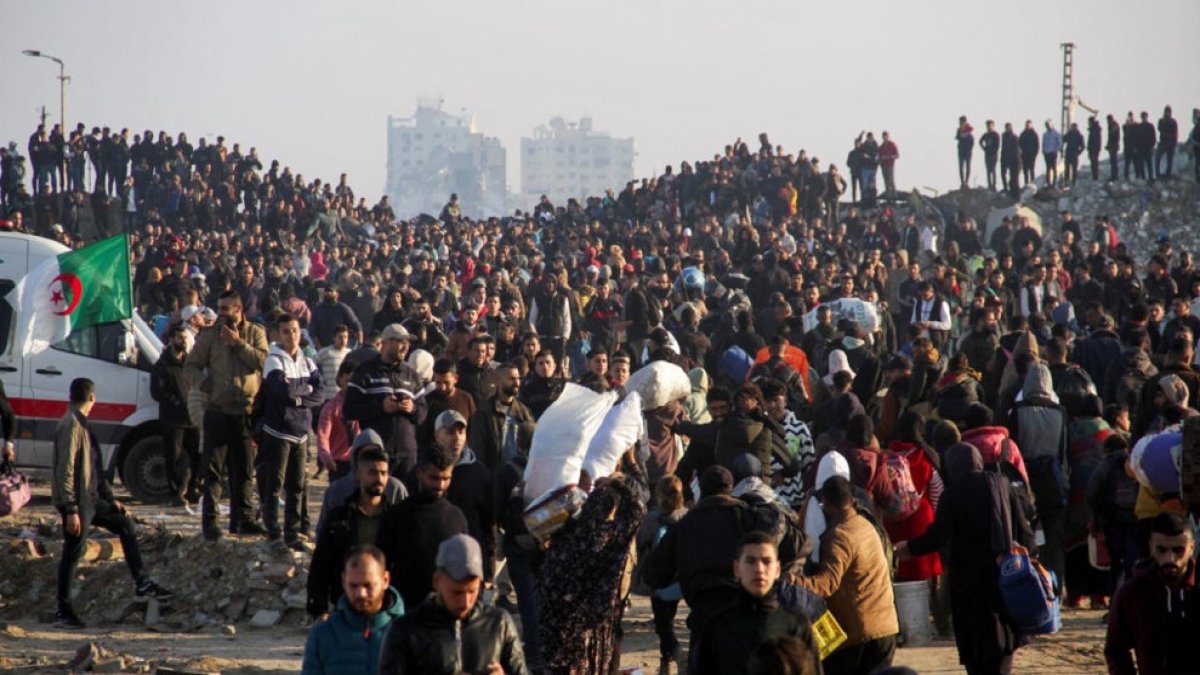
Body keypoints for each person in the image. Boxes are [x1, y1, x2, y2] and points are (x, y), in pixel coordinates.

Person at [897, 443, 1036, 675]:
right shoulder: (1002, 485)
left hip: (969, 584)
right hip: (1004, 578)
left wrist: (908, 548)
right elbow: (1024, 531)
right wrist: (1028, 558)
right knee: (1003, 643)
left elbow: (938, 536)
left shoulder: (953, 495)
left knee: (978, 649)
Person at [53, 378, 173, 628]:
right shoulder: (71, 425)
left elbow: (95, 468)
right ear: (92, 398)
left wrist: (111, 499)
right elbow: (65, 470)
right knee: (73, 553)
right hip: (79, 502)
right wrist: (70, 508)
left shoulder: (82, 423)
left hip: (93, 499)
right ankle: (64, 612)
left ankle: (142, 584)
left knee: (126, 526)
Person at [538, 475, 645, 675]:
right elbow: (637, 511)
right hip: (586, 629)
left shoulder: (562, 539)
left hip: (553, 629)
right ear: (610, 510)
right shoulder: (605, 538)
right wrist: (618, 485)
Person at [379, 534, 529, 675]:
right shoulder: (407, 631)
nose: (465, 601)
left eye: (472, 591)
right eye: (457, 592)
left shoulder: (499, 625)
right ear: (437, 581)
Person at [186, 289, 269, 541]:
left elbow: (263, 361)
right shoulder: (210, 335)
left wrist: (237, 344)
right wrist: (206, 386)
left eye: (225, 308)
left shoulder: (255, 333)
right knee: (213, 471)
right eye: (219, 308)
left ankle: (243, 521)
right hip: (217, 411)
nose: (220, 313)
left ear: (238, 309)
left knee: (243, 471)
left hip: (245, 413)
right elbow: (191, 367)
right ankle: (210, 523)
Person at [795, 476, 899, 675]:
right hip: (886, 626)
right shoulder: (866, 525)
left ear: (826, 503)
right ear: (851, 500)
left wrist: (793, 582)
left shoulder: (839, 536)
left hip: (860, 636)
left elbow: (827, 584)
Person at [696, 532, 822, 675]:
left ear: (777, 569)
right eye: (750, 561)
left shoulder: (797, 625)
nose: (759, 569)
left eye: (766, 561)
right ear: (737, 568)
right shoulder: (717, 626)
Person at [308, 444, 395, 619]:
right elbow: (321, 564)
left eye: (383, 473)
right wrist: (319, 608)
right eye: (372, 473)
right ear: (358, 474)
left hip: (385, 608)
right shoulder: (340, 518)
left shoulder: (396, 518)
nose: (379, 479)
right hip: (346, 605)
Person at [375, 442, 468, 609]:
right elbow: (381, 564)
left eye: (446, 479)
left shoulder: (456, 517)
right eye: (434, 478)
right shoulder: (397, 516)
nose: (440, 485)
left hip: (444, 611)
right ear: (420, 473)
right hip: (404, 610)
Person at [1104, 512, 1198, 675]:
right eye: (1161, 550)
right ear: (1151, 547)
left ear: (1191, 548)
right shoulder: (1132, 593)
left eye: (1178, 550)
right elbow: (1116, 649)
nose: (1170, 558)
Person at [261, 313, 324, 548]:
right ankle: (273, 532)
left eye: (295, 330)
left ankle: (292, 533)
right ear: (278, 334)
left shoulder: (307, 361)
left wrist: (298, 395)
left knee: (297, 486)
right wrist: (305, 391)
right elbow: (282, 393)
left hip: (302, 432)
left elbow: (320, 392)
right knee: (274, 485)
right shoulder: (273, 361)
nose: (291, 335)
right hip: (279, 431)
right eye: (286, 331)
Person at [301, 544, 405, 675]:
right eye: (353, 586)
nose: (360, 593)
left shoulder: (409, 635)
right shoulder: (322, 635)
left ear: (385, 580)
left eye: (368, 585)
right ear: (344, 581)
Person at [344, 323, 427, 477]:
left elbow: (422, 413)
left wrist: (412, 408)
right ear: (385, 343)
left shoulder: (412, 375)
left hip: (407, 455)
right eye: (400, 341)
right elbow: (349, 410)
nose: (405, 347)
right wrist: (381, 407)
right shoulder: (365, 371)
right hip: (376, 454)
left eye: (408, 342)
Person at [150, 324, 201, 507]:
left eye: (185, 337)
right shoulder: (162, 365)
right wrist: (174, 400)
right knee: (174, 458)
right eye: (179, 337)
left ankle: (193, 489)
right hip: (173, 419)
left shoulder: (190, 363)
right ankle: (176, 493)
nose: (183, 341)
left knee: (197, 456)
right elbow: (157, 392)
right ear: (171, 339)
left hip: (192, 417)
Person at [468, 362, 534, 472]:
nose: (517, 383)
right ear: (498, 381)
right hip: (495, 476)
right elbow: (478, 451)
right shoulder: (484, 413)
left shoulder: (524, 412)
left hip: (520, 474)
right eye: (511, 379)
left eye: (518, 378)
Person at [317, 360, 360, 480]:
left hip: (361, 462)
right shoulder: (331, 407)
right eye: (348, 381)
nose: (351, 386)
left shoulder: (365, 405)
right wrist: (326, 456)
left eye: (355, 382)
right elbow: (323, 435)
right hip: (339, 464)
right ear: (340, 379)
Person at [979, 120, 1000, 190]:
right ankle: (989, 185)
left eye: (990, 126)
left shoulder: (995, 135)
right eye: (987, 126)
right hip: (987, 154)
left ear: (993, 126)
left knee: (993, 169)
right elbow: (980, 141)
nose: (988, 127)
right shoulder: (986, 135)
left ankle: (994, 185)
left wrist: (994, 151)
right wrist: (984, 148)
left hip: (993, 155)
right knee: (988, 170)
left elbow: (997, 145)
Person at [956, 116, 975, 188]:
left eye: (962, 122)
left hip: (967, 151)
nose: (961, 123)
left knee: (967, 166)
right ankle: (962, 182)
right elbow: (958, 137)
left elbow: (972, 141)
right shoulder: (959, 130)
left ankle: (966, 182)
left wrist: (969, 149)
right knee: (961, 167)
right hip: (961, 150)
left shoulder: (969, 130)